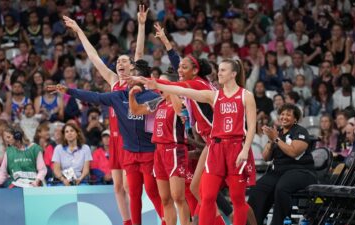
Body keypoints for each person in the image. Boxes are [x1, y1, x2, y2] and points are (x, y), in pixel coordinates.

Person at [138, 58, 257, 225]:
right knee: (206, 196)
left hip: (237, 147)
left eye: (223, 70)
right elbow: (183, 89)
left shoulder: (246, 95)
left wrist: (245, 151)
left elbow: (251, 126)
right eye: (219, 69)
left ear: (233, 74)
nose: (219, 73)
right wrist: (156, 84)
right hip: (216, 147)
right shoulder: (213, 95)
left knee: (238, 200)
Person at [47, 59, 165, 225]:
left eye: (135, 75)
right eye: (130, 75)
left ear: (143, 78)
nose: (129, 78)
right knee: (133, 193)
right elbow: (94, 96)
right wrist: (68, 90)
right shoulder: (118, 96)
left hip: (149, 152)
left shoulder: (154, 97)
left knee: (153, 192)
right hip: (130, 154)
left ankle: (167, 221)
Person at [63, 6, 151, 224]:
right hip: (114, 137)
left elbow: (139, 53)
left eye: (125, 61)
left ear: (132, 67)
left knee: (132, 187)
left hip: (130, 137)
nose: (120, 63)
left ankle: (139, 219)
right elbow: (93, 56)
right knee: (118, 187)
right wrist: (79, 31)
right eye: (118, 61)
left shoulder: (136, 79)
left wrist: (141, 26)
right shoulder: (113, 80)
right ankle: (127, 221)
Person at [129, 74, 190, 225]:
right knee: (165, 198)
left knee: (178, 197)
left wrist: (170, 87)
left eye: (162, 83)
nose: (159, 87)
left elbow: (178, 110)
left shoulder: (181, 101)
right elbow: (136, 111)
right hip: (159, 151)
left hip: (175, 150)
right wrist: (131, 95)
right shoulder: (158, 102)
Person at [248, 103, 317, 225]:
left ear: (295, 119)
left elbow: (294, 152)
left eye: (288, 115)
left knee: (282, 187)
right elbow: (265, 157)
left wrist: (276, 139)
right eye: (282, 114)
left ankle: (278, 222)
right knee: (258, 189)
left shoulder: (300, 131)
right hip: (279, 172)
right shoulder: (277, 133)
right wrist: (270, 142)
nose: (284, 117)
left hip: (302, 171)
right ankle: (252, 223)